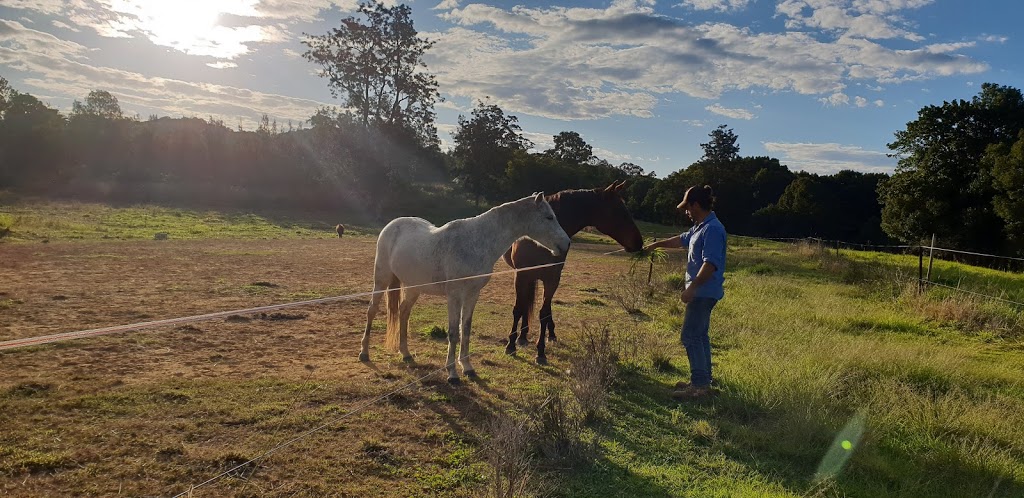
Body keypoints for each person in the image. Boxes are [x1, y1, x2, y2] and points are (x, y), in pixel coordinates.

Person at [643, 185, 726, 399]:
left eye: (687, 207)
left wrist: (692, 288)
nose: (686, 212)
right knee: (700, 335)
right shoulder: (700, 227)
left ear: (696, 205)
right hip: (703, 291)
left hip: (703, 292)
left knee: (690, 336)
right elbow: (680, 240)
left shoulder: (712, 229)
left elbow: (710, 264)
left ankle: (698, 387)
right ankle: (703, 380)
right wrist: (655, 245)